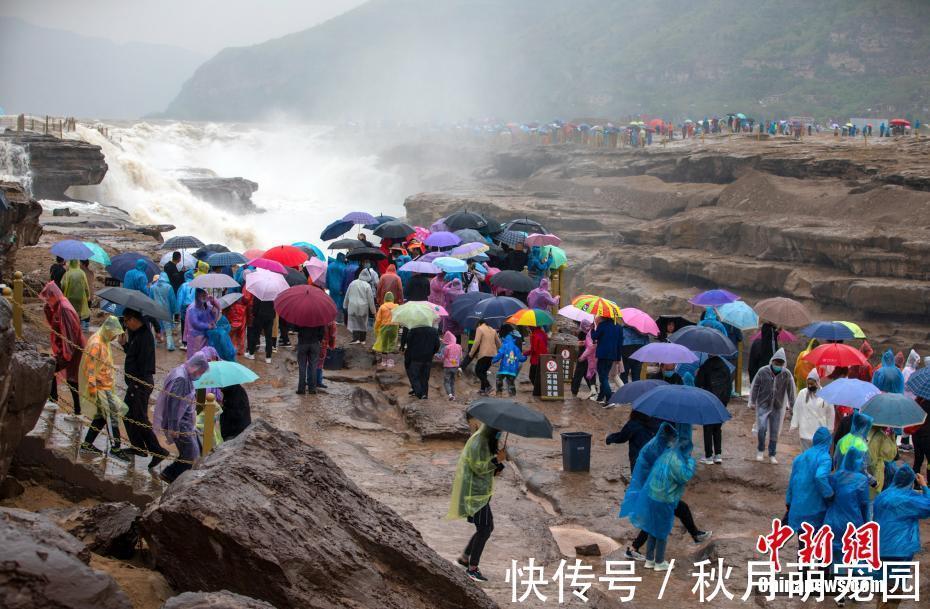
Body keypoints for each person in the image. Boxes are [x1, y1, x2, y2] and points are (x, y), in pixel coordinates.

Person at [628, 429, 697, 570]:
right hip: (664, 497)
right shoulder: (672, 457)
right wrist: (690, 462)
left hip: (652, 492)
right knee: (661, 530)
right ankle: (659, 562)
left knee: (652, 526)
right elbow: (683, 476)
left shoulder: (660, 450)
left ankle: (649, 559)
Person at [447, 423, 506, 583]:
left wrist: (498, 465)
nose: (500, 433)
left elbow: (487, 468)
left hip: (481, 492)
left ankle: (465, 557)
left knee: (486, 527)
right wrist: (496, 460)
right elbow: (478, 467)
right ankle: (472, 569)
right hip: (474, 494)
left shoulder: (486, 441)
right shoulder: (478, 442)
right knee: (485, 529)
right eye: (499, 431)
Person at [120, 308, 168, 468]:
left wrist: (135, 383)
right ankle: (139, 447)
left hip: (140, 383)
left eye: (126, 321)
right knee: (127, 414)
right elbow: (133, 355)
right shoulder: (136, 334)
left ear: (134, 319)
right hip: (135, 383)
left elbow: (143, 364)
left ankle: (158, 451)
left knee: (140, 418)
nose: (125, 324)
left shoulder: (146, 336)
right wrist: (125, 345)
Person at [153, 354, 210, 482]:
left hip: (185, 422)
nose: (199, 374)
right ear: (195, 367)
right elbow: (173, 403)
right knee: (191, 454)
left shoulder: (184, 373)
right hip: (180, 424)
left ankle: (171, 474)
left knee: (192, 451)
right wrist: (173, 427)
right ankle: (170, 475)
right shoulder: (181, 378)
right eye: (200, 371)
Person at [79, 316, 130, 460]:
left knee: (101, 417)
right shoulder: (97, 343)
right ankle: (116, 448)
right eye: (115, 333)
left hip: (105, 385)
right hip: (100, 386)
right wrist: (92, 387)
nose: (115, 337)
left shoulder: (103, 340)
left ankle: (87, 444)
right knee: (111, 417)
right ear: (109, 330)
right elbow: (89, 367)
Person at [873, 465, 930, 571]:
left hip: (878, 546)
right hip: (900, 548)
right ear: (911, 482)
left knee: (881, 580)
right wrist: (924, 486)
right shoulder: (907, 500)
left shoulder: (882, 495)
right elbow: (928, 506)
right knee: (896, 582)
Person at [39, 281, 84, 413]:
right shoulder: (59, 305)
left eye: (48, 297)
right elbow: (54, 322)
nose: (47, 300)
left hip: (71, 347)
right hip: (66, 347)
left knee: (70, 377)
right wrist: (47, 309)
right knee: (65, 375)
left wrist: (66, 353)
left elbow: (70, 332)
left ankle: (74, 409)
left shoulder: (64, 308)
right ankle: (56, 401)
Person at [824, 449, 870, 568]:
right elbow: (864, 504)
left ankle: (833, 581)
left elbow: (828, 496)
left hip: (833, 520)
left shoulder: (835, 477)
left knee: (834, 556)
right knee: (852, 555)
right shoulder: (861, 480)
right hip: (853, 521)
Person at [749, 348, 796, 463]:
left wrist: (792, 407)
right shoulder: (762, 371)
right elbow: (755, 386)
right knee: (762, 428)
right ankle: (760, 450)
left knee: (774, 431)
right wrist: (752, 401)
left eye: (780, 363)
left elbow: (791, 391)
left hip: (777, 406)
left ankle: (772, 454)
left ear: (783, 364)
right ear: (772, 361)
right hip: (763, 404)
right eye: (776, 362)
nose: (778, 365)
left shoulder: (786, 374)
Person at [785, 427, 833, 532]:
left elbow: (792, 482)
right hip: (814, 511)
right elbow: (820, 477)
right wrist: (829, 494)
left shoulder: (800, 457)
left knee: (802, 543)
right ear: (828, 441)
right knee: (812, 544)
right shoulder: (824, 458)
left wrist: (788, 501)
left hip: (797, 508)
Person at [696, 354, 732, 463]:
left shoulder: (705, 366)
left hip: (708, 401)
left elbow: (698, 384)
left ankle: (708, 456)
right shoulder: (725, 367)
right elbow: (729, 386)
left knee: (708, 428)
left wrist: (697, 374)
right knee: (717, 428)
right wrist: (725, 402)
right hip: (721, 402)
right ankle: (718, 455)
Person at [789, 370, 834, 450]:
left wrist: (830, 429)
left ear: (817, 382)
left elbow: (830, 413)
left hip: (819, 430)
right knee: (805, 454)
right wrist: (794, 425)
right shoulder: (802, 393)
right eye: (808, 384)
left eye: (812, 384)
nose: (810, 386)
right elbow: (797, 409)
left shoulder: (826, 394)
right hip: (805, 430)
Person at [591, 315, 623, 404]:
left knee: (603, 377)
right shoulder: (619, 327)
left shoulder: (602, 325)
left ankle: (609, 398)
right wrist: (618, 358)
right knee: (604, 376)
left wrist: (593, 328)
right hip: (612, 355)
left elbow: (594, 337)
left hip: (602, 354)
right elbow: (620, 344)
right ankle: (600, 398)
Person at [405, 324, 440, 399]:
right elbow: (437, 345)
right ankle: (424, 394)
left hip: (416, 357)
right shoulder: (434, 331)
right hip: (428, 358)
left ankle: (419, 393)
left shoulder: (413, 330)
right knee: (425, 377)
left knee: (414, 376)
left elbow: (408, 343)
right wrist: (431, 352)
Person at [185, 288, 220, 359]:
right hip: (196, 337)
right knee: (196, 356)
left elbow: (213, 319)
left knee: (205, 356)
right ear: (197, 295)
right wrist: (207, 326)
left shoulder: (207, 305)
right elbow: (195, 323)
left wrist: (214, 308)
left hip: (205, 335)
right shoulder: (192, 308)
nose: (204, 297)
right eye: (202, 295)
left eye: (205, 295)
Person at [469, 319, 501, 395]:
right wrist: (500, 352)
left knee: (478, 371)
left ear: (479, 323)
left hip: (484, 353)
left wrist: (471, 353)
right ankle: (483, 389)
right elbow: (499, 343)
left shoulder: (479, 329)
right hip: (492, 354)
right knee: (483, 371)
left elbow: (476, 342)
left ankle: (488, 386)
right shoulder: (493, 330)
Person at [344, 271, 376, 344]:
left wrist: (345, 305)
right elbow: (370, 299)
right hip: (363, 307)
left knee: (355, 322)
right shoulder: (367, 285)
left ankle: (355, 339)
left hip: (353, 306)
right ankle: (362, 339)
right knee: (363, 323)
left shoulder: (352, 283)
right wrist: (373, 311)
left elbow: (347, 295)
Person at [868, 425, 899, 499]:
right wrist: (892, 437)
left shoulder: (868, 432)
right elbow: (891, 455)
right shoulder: (880, 436)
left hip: (868, 472)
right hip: (876, 473)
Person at [491, 330, 526, 397]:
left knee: (499, 378)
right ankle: (513, 395)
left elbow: (499, 355)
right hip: (512, 370)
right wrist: (525, 357)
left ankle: (499, 392)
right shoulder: (516, 348)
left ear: (505, 340)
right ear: (513, 340)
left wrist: (493, 360)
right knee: (511, 382)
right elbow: (520, 358)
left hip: (503, 368)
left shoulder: (504, 346)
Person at [150, 274, 178, 351]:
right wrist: (175, 311)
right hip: (166, 310)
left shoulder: (152, 287)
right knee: (168, 328)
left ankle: (154, 345)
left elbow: (150, 299)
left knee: (157, 327)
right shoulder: (169, 287)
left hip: (156, 310)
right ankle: (170, 346)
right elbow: (172, 301)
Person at [295, 321, 324, 395]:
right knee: (313, 367)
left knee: (302, 367)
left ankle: (301, 389)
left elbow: (295, 328)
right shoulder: (319, 317)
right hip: (314, 343)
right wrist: (319, 340)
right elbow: (321, 332)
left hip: (302, 343)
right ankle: (312, 389)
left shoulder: (300, 315)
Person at [572, 319, 598, 400]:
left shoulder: (581, 333)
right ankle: (594, 391)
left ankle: (574, 391)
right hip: (591, 357)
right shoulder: (593, 332)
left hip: (583, 356)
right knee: (589, 374)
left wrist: (582, 343)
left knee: (578, 374)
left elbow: (583, 345)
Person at [60, 259, 91, 328]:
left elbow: (63, 285)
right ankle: (79, 328)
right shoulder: (82, 273)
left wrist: (62, 293)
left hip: (70, 298)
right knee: (79, 313)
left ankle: (71, 327)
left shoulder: (67, 273)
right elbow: (86, 286)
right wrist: (88, 296)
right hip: (80, 298)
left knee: (71, 313)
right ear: (78, 263)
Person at [372, 291, 399, 359]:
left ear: (385, 298)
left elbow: (378, 320)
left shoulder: (382, 307)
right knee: (392, 342)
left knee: (384, 342)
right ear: (392, 298)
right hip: (394, 326)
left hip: (384, 326)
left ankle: (384, 360)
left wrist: (376, 328)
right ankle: (390, 360)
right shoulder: (397, 306)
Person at [526, 325, 549, 397]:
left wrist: (525, 353)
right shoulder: (543, 333)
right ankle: (541, 390)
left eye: (529, 327)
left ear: (532, 327)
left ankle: (539, 391)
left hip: (536, 359)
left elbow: (534, 349)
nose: (528, 328)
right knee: (540, 376)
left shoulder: (534, 335)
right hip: (544, 357)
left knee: (532, 376)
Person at [442, 331, 462, 400]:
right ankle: (453, 396)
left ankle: (450, 395)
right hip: (455, 366)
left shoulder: (447, 347)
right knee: (452, 381)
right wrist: (459, 366)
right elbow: (460, 357)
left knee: (446, 381)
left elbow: (443, 356)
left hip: (447, 366)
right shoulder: (459, 346)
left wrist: (436, 356)